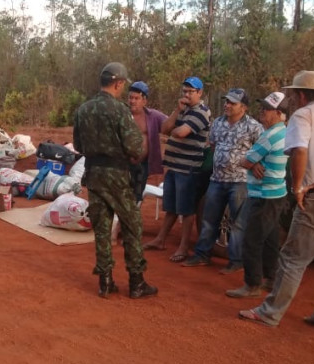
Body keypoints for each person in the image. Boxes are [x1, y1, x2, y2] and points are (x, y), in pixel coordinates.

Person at [239, 71, 314, 328]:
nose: (292, 99)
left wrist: (298, 187)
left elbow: (299, 151)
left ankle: (270, 312)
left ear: (301, 94)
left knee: (292, 257)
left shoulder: (304, 115)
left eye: (293, 94)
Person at [73, 62, 157, 299]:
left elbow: (78, 145)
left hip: (94, 174)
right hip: (118, 176)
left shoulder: (83, 110)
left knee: (102, 228)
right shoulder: (120, 111)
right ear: (118, 83)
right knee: (132, 225)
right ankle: (136, 281)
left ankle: (105, 281)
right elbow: (135, 147)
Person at [182, 88, 263, 273]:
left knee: (238, 223)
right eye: (227, 101)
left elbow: (261, 150)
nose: (227, 105)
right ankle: (202, 255)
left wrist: (253, 164)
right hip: (217, 179)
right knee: (209, 219)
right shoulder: (218, 123)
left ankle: (236, 261)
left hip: (240, 180)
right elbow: (213, 145)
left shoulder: (253, 126)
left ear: (243, 107)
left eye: (232, 103)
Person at [226, 92, 289, 298]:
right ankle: (271, 278)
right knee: (270, 239)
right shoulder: (284, 132)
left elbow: (245, 161)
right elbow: (251, 161)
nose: (262, 112)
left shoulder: (269, 136)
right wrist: (254, 163)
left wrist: (252, 163)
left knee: (252, 240)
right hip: (276, 192)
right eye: (262, 107)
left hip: (263, 194)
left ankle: (252, 284)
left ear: (279, 113)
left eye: (267, 109)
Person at [143, 77, 211, 261]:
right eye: (185, 91)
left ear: (200, 93)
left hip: (188, 168)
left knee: (187, 210)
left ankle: (183, 247)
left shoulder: (202, 112)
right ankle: (160, 239)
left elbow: (180, 133)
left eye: (190, 91)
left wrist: (171, 133)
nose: (187, 95)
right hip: (174, 166)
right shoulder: (183, 110)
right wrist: (176, 111)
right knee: (172, 207)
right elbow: (164, 128)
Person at [126, 81, 168, 202]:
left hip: (142, 166)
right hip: (122, 165)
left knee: (137, 197)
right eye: (130, 97)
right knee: (121, 197)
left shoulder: (153, 116)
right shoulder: (122, 115)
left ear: (144, 101)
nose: (132, 101)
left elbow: (169, 124)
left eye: (136, 98)